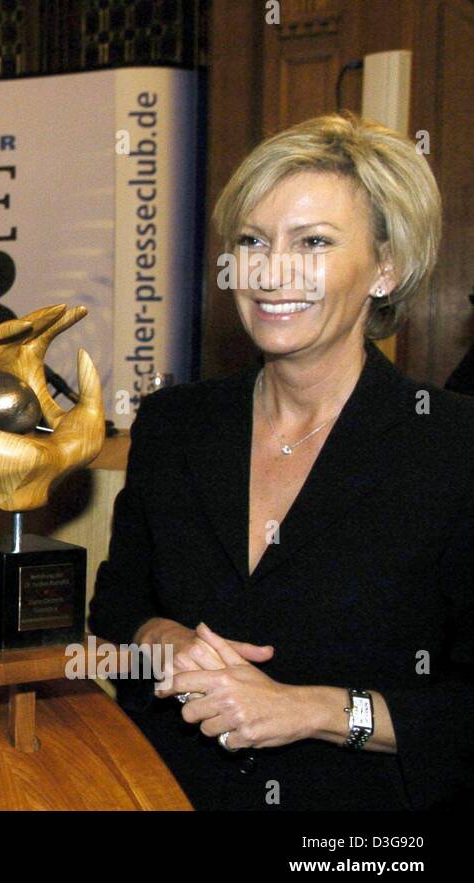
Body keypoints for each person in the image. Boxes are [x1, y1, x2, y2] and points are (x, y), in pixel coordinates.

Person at [88, 112, 474, 810]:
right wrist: (162, 639)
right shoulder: (175, 425)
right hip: (164, 793)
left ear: (386, 268)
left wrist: (316, 711)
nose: (271, 273)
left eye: (314, 242)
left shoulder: (451, 448)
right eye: (253, 242)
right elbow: (117, 611)